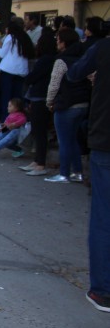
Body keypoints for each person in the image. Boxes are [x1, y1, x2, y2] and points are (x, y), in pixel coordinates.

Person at [67, 37, 110, 311]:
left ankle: (103, 290)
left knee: (104, 217)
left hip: (105, 141)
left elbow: (75, 72)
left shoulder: (103, 48)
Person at [44, 28, 90, 183]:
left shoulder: (61, 61)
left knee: (64, 141)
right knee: (73, 139)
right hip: (82, 104)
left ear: (63, 43)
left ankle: (64, 173)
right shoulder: (83, 59)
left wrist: (49, 102)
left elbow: (54, 85)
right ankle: (77, 172)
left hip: (66, 105)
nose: (57, 43)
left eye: (58, 40)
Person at [20, 29, 57, 176]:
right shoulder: (51, 59)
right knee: (37, 131)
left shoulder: (46, 60)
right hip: (40, 96)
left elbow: (33, 77)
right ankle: (37, 161)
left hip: (41, 97)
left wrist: (29, 79)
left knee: (40, 131)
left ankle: (40, 163)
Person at [0, 21, 34, 128]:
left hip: (8, 69)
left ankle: (5, 122)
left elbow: (2, 54)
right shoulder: (25, 37)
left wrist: (0, 46)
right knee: (18, 98)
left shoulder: (10, 37)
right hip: (21, 71)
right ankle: (18, 122)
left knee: (6, 97)